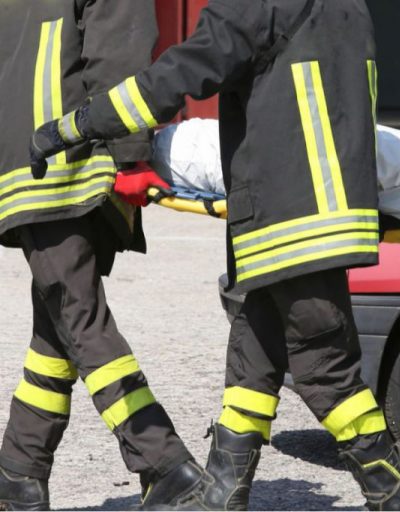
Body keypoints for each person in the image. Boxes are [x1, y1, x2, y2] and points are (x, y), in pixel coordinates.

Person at [28, 0, 400, 510]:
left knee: (326, 371)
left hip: (292, 219)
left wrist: (81, 124)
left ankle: (395, 498)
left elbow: (180, 73)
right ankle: (221, 492)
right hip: (326, 211)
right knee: (253, 360)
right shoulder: (349, 7)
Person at [0, 1, 211, 510]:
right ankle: (165, 466)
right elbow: (120, 54)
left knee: (63, 323)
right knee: (76, 322)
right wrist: (133, 151)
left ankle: (19, 472)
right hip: (71, 162)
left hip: (28, 163)